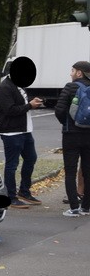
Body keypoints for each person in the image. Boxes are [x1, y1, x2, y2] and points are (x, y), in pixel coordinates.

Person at [0, 56, 43, 209]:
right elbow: (9, 110)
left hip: (25, 130)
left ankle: (24, 191)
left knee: (31, 158)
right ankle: (11, 196)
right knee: (12, 165)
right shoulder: (5, 88)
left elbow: (21, 104)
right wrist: (29, 105)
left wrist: (33, 102)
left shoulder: (19, 86)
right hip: (11, 132)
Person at [54, 60, 90, 216]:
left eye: (72, 70)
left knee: (70, 171)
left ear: (79, 73)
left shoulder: (70, 87)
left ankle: (74, 207)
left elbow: (59, 110)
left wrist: (67, 123)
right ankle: (86, 207)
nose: (71, 73)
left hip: (71, 134)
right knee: (88, 171)